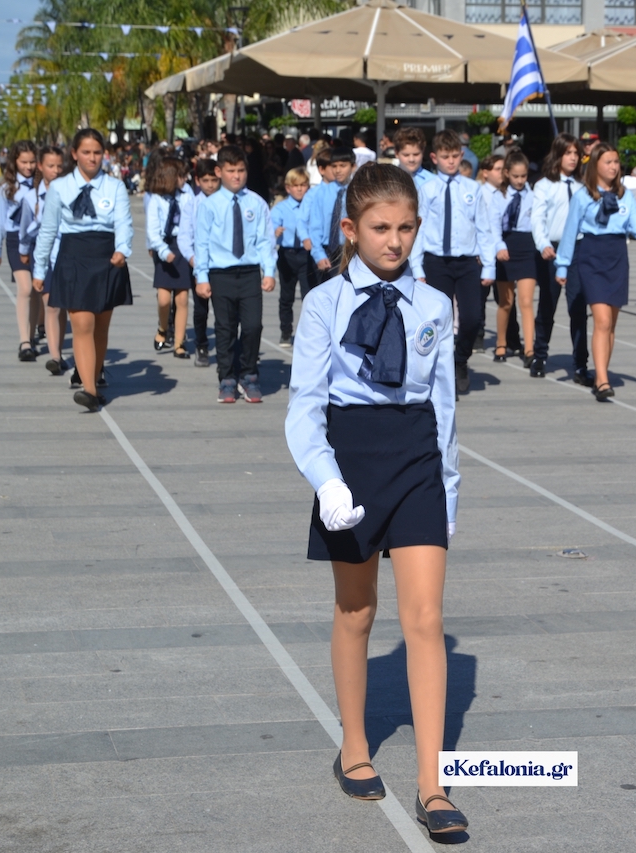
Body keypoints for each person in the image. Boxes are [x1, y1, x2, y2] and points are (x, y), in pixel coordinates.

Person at [284, 163, 467, 836]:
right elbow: (304, 408)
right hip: (350, 456)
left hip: (416, 456)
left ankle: (432, 784)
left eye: (406, 227)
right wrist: (326, 480)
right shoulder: (323, 304)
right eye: (380, 227)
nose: (394, 241)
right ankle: (355, 746)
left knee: (426, 617)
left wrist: (449, 494)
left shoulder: (435, 303)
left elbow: (445, 406)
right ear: (350, 229)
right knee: (356, 609)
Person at [32, 128, 133, 412]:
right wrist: (40, 268)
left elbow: (124, 222)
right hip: (73, 258)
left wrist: (122, 249)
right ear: (74, 154)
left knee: (100, 327)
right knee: (82, 325)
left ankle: (95, 376)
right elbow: (48, 229)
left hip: (107, 258)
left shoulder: (115, 187)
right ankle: (89, 390)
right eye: (86, 152)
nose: (92, 158)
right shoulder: (59, 187)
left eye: (97, 152)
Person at [555, 143, 636, 401]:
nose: (614, 167)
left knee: (611, 324)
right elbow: (570, 231)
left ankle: (601, 372)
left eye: (616, 162)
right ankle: (602, 380)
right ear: (595, 165)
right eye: (608, 162)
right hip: (591, 256)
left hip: (616, 256)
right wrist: (562, 264)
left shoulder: (624, 195)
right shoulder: (583, 196)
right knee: (602, 321)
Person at [409, 129, 492, 395]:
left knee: (472, 317)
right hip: (437, 262)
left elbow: (483, 227)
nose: (452, 161)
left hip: (467, 261)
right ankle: (443, 370)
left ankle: (461, 359)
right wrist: (417, 267)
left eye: (455, 156)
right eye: (446, 157)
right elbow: (419, 230)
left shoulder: (472, 188)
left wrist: (489, 265)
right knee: (439, 320)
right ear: (435, 158)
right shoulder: (428, 189)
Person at [193, 145, 277, 404]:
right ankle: (227, 378)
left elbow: (265, 239)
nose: (237, 176)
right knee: (225, 328)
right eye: (231, 171)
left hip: (250, 272)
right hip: (221, 273)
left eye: (241, 170)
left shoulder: (256, 202)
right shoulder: (209, 205)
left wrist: (269, 271)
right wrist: (201, 277)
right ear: (219, 172)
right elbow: (201, 243)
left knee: (253, 326)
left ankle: (249, 374)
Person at [529, 133, 589, 383]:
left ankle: (581, 364)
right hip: (552, 250)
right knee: (547, 304)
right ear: (558, 155)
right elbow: (537, 218)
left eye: (576, 154)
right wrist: (543, 243)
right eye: (568, 153)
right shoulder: (544, 185)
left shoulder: (583, 185)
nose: (573, 158)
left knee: (578, 306)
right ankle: (540, 355)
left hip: (578, 249)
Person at [19, 145, 68, 375]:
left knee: (64, 307)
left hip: (67, 255)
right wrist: (24, 251)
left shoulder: (70, 192)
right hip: (44, 255)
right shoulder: (31, 197)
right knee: (51, 305)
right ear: (40, 166)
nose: (56, 170)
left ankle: (59, 349)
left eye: (59, 166)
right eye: (50, 166)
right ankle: (55, 356)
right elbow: (24, 229)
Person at [0, 140, 41, 362]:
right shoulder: (7, 188)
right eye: (24, 162)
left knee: (37, 289)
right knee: (25, 288)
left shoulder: (43, 186)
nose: (28, 167)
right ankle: (24, 341)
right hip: (14, 240)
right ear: (15, 162)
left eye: (32, 162)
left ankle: (32, 334)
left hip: (38, 240)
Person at [484, 150, 536, 365]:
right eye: (515, 176)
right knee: (506, 302)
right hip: (506, 245)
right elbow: (494, 224)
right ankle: (501, 343)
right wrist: (499, 246)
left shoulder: (533, 194)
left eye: (524, 176)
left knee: (526, 301)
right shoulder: (499, 196)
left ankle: (530, 349)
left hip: (526, 246)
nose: (520, 180)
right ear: (507, 173)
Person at [145, 157, 195, 359]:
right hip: (164, 246)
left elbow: (193, 221)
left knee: (182, 298)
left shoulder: (187, 195)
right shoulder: (156, 199)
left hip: (183, 245)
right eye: (181, 176)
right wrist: (163, 251)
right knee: (164, 299)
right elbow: (152, 231)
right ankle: (163, 328)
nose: (185, 179)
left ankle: (179, 343)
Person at [178, 158, 220, 368]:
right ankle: (201, 345)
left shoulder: (224, 202)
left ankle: (228, 346)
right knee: (201, 309)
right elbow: (184, 236)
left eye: (214, 180)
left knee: (224, 309)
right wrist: (192, 259)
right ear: (197, 181)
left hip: (222, 264)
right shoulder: (192, 204)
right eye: (205, 180)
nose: (210, 185)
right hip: (199, 264)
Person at [272, 167, 318, 347]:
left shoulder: (312, 206)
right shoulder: (281, 208)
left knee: (309, 295)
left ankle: (309, 332)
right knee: (286, 296)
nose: (299, 189)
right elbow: (271, 226)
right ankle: (285, 331)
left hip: (307, 254)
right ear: (288, 188)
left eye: (303, 185)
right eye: (295, 185)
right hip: (288, 254)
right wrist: (275, 231)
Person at [306, 146, 354, 283]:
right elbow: (315, 226)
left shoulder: (357, 191)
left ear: (352, 166)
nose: (338, 170)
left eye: (343, 166)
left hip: (349, 248)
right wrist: (318, 254)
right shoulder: (322, 193)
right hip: (327, 250)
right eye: (334, 166)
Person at [393, 127, 433, 191]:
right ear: (396, 153)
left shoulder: (433, 180)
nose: (411, 159)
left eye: (416, 154)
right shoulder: (389, 179)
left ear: (423, 152)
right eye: (406, 155)